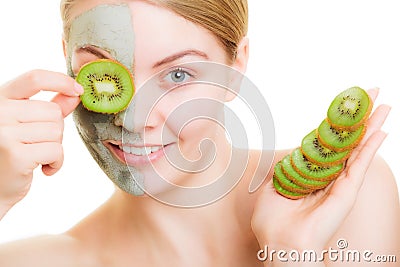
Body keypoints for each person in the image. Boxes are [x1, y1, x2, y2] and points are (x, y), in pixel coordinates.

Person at [0, 0, 399, 266]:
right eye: (101, 72)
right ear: (67, 57)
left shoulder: (344, 199)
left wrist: (292, 257)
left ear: (236, 63)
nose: (134, 121)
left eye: (177, 75)